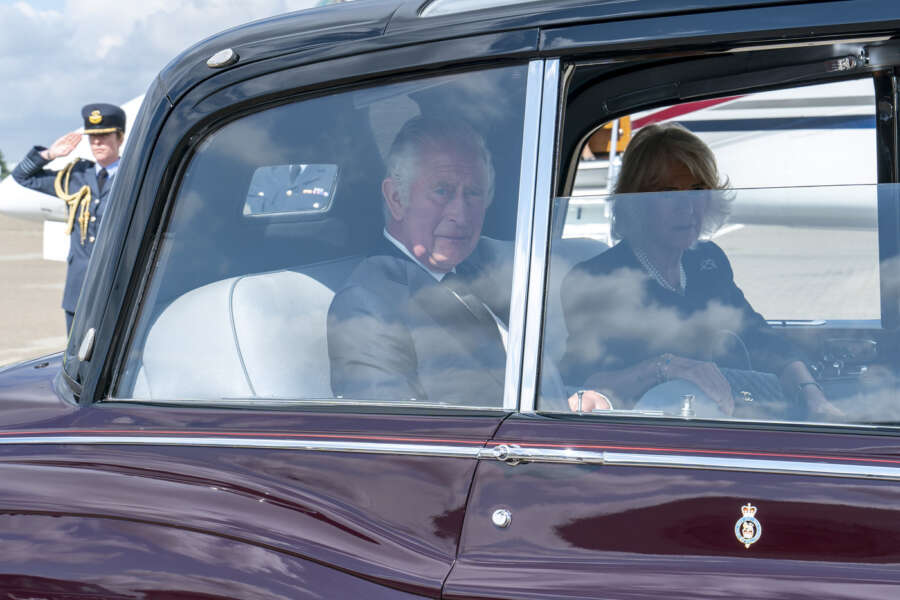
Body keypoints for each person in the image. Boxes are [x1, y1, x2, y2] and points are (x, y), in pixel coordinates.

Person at [561, 122, 838, 420]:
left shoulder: (707, 260)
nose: (687, 207)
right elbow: (580, 388)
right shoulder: (597, 279)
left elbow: (758, 337)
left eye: (696, 190)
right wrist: (666, 367)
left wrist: (811, 393)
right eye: (667, 193)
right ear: (635, 203)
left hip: (732, 418)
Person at [327, 116, 608, 410]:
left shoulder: (477, 269)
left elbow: (506, 383)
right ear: (396, 197)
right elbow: (395, 438)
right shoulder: (369, 304)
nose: (460, 215)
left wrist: (572, 401)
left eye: (473, 193)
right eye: (442, 191)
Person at [13, 103, 126, 332]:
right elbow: (23, 176)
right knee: (74, 361)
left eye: (104, 136)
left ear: (120, 137)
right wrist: (50, 154)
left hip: (117, 288)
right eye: (93, 137)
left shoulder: (131, 176)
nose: (97, 143)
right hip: (78, 290)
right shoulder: (75, 176)